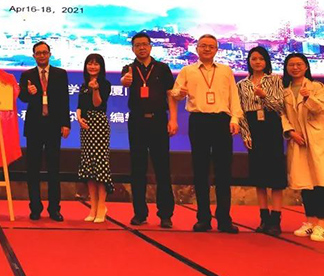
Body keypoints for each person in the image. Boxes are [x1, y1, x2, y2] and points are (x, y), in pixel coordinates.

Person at [172, 34, 243, 233]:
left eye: (211, 46)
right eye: (203, 46)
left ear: (217, 49)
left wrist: (235, 119)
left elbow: (234, 96)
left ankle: (224, 219)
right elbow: (175, 93)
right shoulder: (188, 70)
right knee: (200, 170)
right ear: (196, 49)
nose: (207, 49)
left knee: (223, 172)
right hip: (199, 121)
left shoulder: (226, 71)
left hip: (221, 121)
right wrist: (180, 93)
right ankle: (203, 218)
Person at [120, 33, 178, 229]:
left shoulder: (162, 68)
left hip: (158, 120)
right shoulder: (129, 68)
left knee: (162, 168)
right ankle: (140, 213)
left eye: (145, 44)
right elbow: (124, 81)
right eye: (137, 45)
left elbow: (170, 94)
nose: (141, 48)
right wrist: (125, 80)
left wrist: (173, 119)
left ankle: (165, 214)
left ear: (151, 46)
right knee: (138, 169)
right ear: (132, 49)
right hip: (137, 121)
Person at [236, 47, 287, 235]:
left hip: (272, 126)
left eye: (261, 59)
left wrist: (265, 97)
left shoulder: (275, 80)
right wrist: (246, 134)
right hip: (253, 127)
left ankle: (276, 219)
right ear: (249, 61)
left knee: (276, 175)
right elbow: (240, 112)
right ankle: (264, 218)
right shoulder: (241, 85)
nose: (257, 62)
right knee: (259, 175)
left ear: (266, 61)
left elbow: (280, 107)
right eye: (254, 59)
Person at [18, 41, 70, 222]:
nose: (41, 55)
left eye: (44, 52)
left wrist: (66, 124)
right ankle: (35, 208)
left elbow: (64, 100)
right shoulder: (27, 75)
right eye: (38, 53)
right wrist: (28, 92)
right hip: (34, 127)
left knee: (54, 169)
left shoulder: (60, 74)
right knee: (33, 169)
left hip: (53, 126)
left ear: (49, 54)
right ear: (33, 56)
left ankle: (54, 209)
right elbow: (22, 98)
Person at [281, 53, 324, 242]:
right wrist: (290, 132)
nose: (295, 68)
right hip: (297, 139)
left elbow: (320, 109)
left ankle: (321, 224)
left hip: (316, 139)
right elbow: (281, 114)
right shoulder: (285, 90)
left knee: (320, 181)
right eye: (291, 64)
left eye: (299, 64)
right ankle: (310, 221)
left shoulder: (316, 87)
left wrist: (308, 98)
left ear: (306, 66)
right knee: (305, 182)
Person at [76, 53, 113, 223]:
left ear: (101, 67)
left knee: (100, 165)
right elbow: (79, 106)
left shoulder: (105, 84)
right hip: (86, 127)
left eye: (96, 64)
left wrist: (95, 89)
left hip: (99, 125)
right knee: (89, 167)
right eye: (89, 64)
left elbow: (98, 104)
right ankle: (93, 206)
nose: (92, 67)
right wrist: (79, 117)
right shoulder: (83, 85)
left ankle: (102, 206)